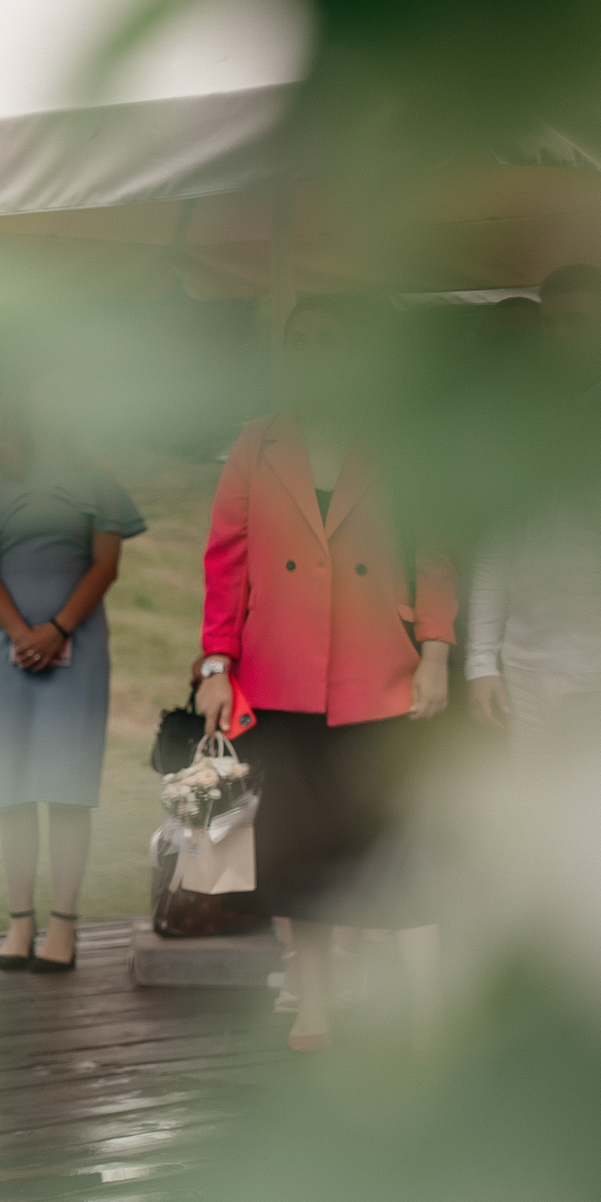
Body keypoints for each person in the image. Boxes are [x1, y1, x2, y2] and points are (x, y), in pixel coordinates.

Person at [195, 297, 458, 1048]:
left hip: (378, 676)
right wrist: (216, 665)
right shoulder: (257, 442)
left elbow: (435, 544)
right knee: (300, 856)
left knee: (395, 850)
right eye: (299, 340)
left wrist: (436, 650)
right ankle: (316, 1004)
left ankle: (430, 1009)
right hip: (281, 680)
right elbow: (224, 564)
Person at [0, 373, 145, 974]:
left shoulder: (100, 476)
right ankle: (18, 920)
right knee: (12, 785)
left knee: (68, 785)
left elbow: (106, 565)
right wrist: (20, 632)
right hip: (4, 649)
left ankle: (64, 923)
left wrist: (56, 629)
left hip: (77, 645)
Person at [465, 264, 601, 744]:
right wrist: (479, 661)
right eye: (551, 323)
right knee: (532, 814)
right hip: (524, 666)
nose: (559, 336)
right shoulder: (519, 426)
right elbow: (497, 542)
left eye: (578, 321)